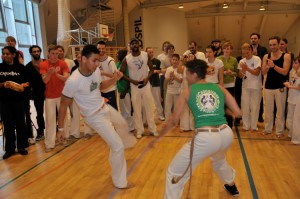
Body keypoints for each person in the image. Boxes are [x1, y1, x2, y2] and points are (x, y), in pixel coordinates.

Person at [56, 44, 136, 189]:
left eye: (98, 60)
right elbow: (63, 105)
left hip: (104, 107)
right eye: (94, 60)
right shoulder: (73, 81)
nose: (97, 64)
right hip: (94, 117)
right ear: (83, 59)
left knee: (122, 124)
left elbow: (100, 87)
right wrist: (60, 128)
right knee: (117, 146)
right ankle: (120, 182)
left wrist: (115, 79)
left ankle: (118, 152)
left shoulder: (95, 71)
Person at [160, 59, 242, 199]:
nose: (185, 76)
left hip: (207, 137)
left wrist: (157, 137)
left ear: (193, 74)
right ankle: (231, 185)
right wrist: (220, 110)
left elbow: (174, 121)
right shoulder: (219, 88)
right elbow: (238, 113)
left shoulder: (188, 91)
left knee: (174, 172)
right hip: (226, 134)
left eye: (187, 73)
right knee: (219, 161)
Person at [120, 38, 158, 139]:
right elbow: (121, 73)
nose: (134, 45)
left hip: (145, 85)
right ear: (130, 46)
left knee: (149, 108)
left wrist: (147, 78)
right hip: (134, 86)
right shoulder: (127, 59)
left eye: (136, 43)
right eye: (132, 44)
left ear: (139, 45)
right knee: (137, 110)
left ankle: (152, 129)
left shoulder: (145, 55)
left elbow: (152, 69)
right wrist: (131, 81)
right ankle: (139, 130)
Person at [0, 46, 29, 159]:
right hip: (4, 101)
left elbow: (27, 83)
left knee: (21, 123)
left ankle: (22, 146)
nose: (5, 55)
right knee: (8, 125)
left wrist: (22, 86)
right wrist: (4, 84)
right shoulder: (0, 67)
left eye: (7, 53)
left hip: (18, 101)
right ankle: (10, 149)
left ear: (13, 55)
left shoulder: (21, 68)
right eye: (3, 53)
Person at [40, 44, 69, 152]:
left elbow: (66, 78)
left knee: (63, 118)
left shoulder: (63, 63)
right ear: (48, 54)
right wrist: (49, 73)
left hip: (61, 95)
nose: (55, 55)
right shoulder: (44, 64)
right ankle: (49, 143)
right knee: (50, 120)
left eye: (57, 53)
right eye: (53, 53)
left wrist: (57, 74)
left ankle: (64, 138)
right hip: (49, 96)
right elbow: (45, 80)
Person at [261, 36, 291, 138]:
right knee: (268, 110)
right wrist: (268, 67)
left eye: (274, 44)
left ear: (279, 44)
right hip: (268, 86)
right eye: (270, 45)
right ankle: (267, 129)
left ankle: (279, 131)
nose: (272, 47)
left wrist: (274, 66)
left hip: (280, 87)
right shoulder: (266, 56)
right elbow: (263, 72)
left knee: (280, 110)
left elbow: (285, 72)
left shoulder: (286, 56)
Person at [238, 43, 262, 132]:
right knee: (245, 107)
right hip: (245, 86)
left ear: (251, 51)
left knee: (255, 107)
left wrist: (246, 68)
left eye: (247, 53)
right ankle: (245, 126)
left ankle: (254, 127)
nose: (245, 55)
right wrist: (243, 69)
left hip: (256, 87)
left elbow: (257, 72)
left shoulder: (257, 59)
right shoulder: (241, 61)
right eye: (244, 53)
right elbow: (240, 76)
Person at [26, 45, 46, 142]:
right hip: (37, 92)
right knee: (39, 113)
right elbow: (28, 82)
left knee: (54, 111)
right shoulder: (28, 66)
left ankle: (55, 128)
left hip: (49, 90)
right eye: (34, 51)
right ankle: (41, 131)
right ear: (31, 53)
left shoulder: (46, 62)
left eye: (38, 51)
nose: (36, 53)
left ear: (40, 52)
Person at [217, 41, 238, 128]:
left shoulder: (234, 60)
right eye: (225, 48)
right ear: (222, 49)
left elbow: (237, 73)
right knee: (221, 105)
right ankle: (221, 123)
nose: (226, 50)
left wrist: (231, 73)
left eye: (228, 48)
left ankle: (229, 124)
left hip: (231, 85)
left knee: (229, 105)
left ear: (231, 50)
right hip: (221, 85)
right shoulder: (218, 59)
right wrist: (224, 72)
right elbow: (216, 72)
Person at [250, 33, 268, 122]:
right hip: (249, 75)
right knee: (249, 97)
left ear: (259, 39)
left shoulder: (263, 49)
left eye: (255, 38)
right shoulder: (248, 48)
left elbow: (265, 62)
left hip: (259, 75)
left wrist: (256, 55)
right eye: (252, 38)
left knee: (258, 96)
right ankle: (250, 114)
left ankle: (260, 115)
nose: (253, 40)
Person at [116, 48, 135, 132]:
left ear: (124, 56)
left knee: (128, 110)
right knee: (123, 110)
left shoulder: (126, 65)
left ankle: (131, 127)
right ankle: (125, 126)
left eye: (119, 53)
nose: (117, 55)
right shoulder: (117, 64)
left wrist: (124, 91)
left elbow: (128, 79)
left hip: (126, 91)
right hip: (120, 90)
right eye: (117, 53)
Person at [97, 41, 118, 110]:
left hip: (110, 89)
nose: (101, 50)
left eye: (103, 48)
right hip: (100, 90)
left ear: (105, 49)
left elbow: (116, 76)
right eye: (99, 48)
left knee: (113, 111)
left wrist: (104, 73)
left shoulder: (110, 61)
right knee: (103, 112)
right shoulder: (96, 61)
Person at [283, 56, 300, 143]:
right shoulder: (292, 71)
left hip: (298, 98)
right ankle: (291, 134)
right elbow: (292, 83)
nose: (293, 64)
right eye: (293, 62)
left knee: (296, 119)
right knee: (290, 118)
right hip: (291, 97)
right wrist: (288, 84)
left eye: (296, 63)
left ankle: (296, 139)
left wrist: (290, 86)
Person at [146, 47, 165, 121]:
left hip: (155, 82)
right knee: (147, 101)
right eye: (149, 52)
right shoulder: (144, 61)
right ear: (146, 53)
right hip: (146, 83)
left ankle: (160, 115)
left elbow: (161, 70)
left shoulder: (157, 61)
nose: (151, 54)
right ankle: (148, 117)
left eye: (152, 52)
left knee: (157, 100)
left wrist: (156, 71)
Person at [164, 54, 183, 121]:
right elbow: (166, 80)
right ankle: (167, 121)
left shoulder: (180, 69)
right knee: (167, 107)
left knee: (176, 108)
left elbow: (180, 80)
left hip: (177, 91)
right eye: (173, 60)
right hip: (169, 90)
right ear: (171, 60)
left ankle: (176, 121)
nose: (174, 61)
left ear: (178, 61)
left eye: (176, 60)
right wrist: (165, 88)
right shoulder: (169, 69)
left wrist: (174, 76)